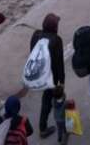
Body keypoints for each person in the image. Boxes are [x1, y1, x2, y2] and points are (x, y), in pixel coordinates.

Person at [25, 15, 67, 143]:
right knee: (57, 103)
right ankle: (53, 130)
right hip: (52, 77)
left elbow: (33, 52)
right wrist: (61, 81)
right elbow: (59, 63)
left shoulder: (36, 35)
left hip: (40, 75)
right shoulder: (56, 40)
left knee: (47, 99)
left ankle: (45, 126)